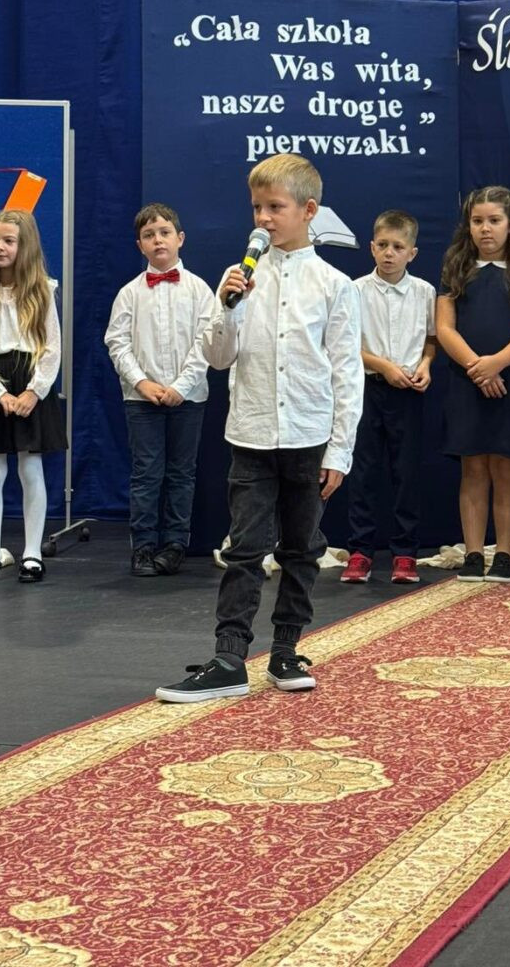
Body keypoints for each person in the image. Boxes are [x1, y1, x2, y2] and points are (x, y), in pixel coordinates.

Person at [155, 154, 362, 701]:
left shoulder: (335, 284)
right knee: (244, 548)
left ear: (308, 210)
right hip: (250, 434)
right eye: (256, 208)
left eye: (276, 207)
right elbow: (218, 357)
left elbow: (346, 373)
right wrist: (228, 309)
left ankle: (286, 649)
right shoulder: (240, 279)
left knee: (302, 548)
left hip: (309, 437)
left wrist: (339, 450)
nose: (264, 219)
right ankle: (229, 657)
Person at [436, 185, 510, 583]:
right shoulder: (455, 269)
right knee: (473, 468)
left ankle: (503, 553)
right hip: (467, 381)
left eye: (494, 221)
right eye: (477, 221)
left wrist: (497, 364)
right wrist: (477, 367)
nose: (485, 229)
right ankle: (472, 552)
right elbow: (444, 327)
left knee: (507, 468)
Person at [104, 203, 215, 576]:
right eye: (149, 235)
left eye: (165, 232)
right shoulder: (129, 293)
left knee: (182, 473)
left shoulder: (200, 290)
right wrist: (142, 382)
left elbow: (206, 343)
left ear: (180, 238)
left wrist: (181, 386)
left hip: (189, 398)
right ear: (140, 245)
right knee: (146, 473)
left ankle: (175, 545)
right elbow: (117, 343)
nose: (158, 240)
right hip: (141, 400)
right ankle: (143, 546)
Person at [0, 210, 67, 584]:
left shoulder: (41, 291)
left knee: (30, 468)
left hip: (30, 382)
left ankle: (32, 553)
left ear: (25, 246)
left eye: (8, 241)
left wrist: (35, 390)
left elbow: (52, 347)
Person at [340, 210, 436, 585]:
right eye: (382, 245)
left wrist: (425, 365)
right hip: (366, 388)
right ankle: (360, 551)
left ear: (412, 252)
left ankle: (405, 553)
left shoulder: (425, 292)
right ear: (371, 248)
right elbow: (344, 344)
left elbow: (432, 339)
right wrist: (383, 366)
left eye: (398, 246)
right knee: (363, 470)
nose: (389, 253)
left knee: (406, 472)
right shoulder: (354, 290)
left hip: (408, 391)